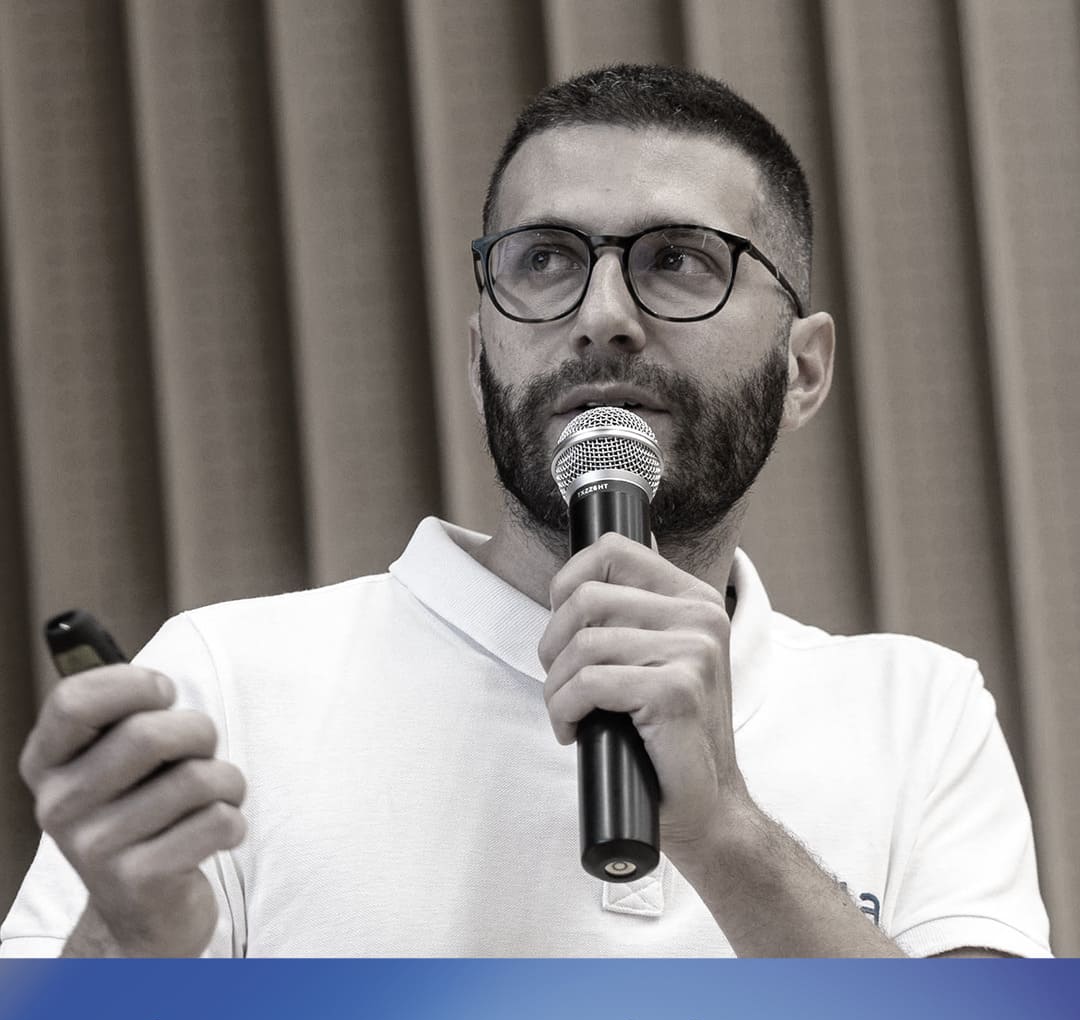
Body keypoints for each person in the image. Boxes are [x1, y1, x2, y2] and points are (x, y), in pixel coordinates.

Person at [2, 64, 1051, 959]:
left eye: (677, 260)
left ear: (803, 369)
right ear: (479, 360)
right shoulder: (227, 681)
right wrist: (130, 946)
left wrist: (728, 833)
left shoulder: (919, 712)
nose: (602, 317)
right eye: (545, 261)